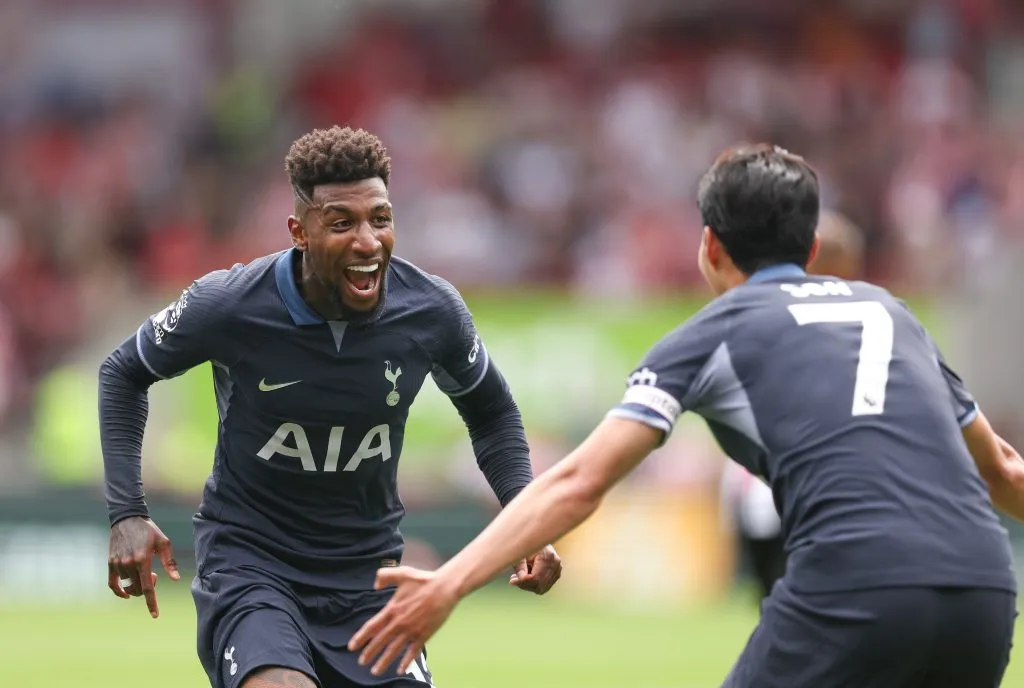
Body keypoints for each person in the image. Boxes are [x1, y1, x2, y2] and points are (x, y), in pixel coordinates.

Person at [349, 144, 1022, 687]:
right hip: (985, 591)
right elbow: (1003, 471)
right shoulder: (892, 313)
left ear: (710, 247)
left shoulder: (713, 334)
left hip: (858, 585)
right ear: (813, 249)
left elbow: (580, 481)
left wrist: (449, 583)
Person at [98, 125, 562, 688]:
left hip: (369, 579)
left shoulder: (431, 311)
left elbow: (492, 412)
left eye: (380, 219)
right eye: (342, 223)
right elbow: (124, 371)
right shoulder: (230, 305)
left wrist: (526, 521)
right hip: (252, 567)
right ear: (300, 232)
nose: (368, 241)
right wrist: (127, 512)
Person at [721, 208, 867, 602]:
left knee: (782, 608)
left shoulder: (765, 319)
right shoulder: (856, 328)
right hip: (812, 495)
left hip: (770, 491)